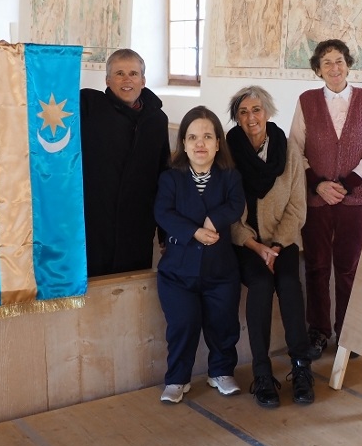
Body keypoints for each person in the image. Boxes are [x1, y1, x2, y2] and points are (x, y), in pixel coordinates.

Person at [291, 39, 362, 357]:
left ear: (348, 64)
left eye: (340, 61)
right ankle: (317, 331)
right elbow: (295, 150)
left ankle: (348, 332)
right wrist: (317, 184)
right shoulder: (306, 102)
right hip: (316, 199)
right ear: (318, 69)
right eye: (327, 62)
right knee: (316, 266)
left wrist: (348, 182)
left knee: (349, 268)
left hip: (356, 199)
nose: (334, 68)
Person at [227, 86, 315, 408]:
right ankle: (261, 374)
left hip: (283, 240)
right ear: (237, 118)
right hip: (247, 243)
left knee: (290, 282)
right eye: (244, 112)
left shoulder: (287, 148)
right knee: (261, 285)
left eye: (257, 110)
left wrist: (276, 246)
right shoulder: (229, 151)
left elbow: (296, 206)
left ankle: (302, 367)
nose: (251, 118)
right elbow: (228, 210)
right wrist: (254, 245)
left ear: (267, 112)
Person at [154, 106, 246, 404]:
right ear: (183, 143)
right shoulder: (171, 178)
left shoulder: (230, 176)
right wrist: (193, 231)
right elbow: (162, 212)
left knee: (223, 323)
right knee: (183, 325)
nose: (200, 143)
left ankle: (221, 371)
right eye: (193, 137)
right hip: (178, 274)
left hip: (221, 272)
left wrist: (212, 220)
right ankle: (177, 379)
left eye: (207, 136)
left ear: (218, 142)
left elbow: (235, 204)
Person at [79, 49, 170, 277]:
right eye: (119, 73)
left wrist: (165, 232)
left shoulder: (158, 120)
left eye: (133, 73)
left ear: (143, 80)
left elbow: (164, 174)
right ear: (108, 80)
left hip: (137, 221)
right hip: (96, 220)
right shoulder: (89, 108)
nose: (127, 79)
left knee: (131, 284)